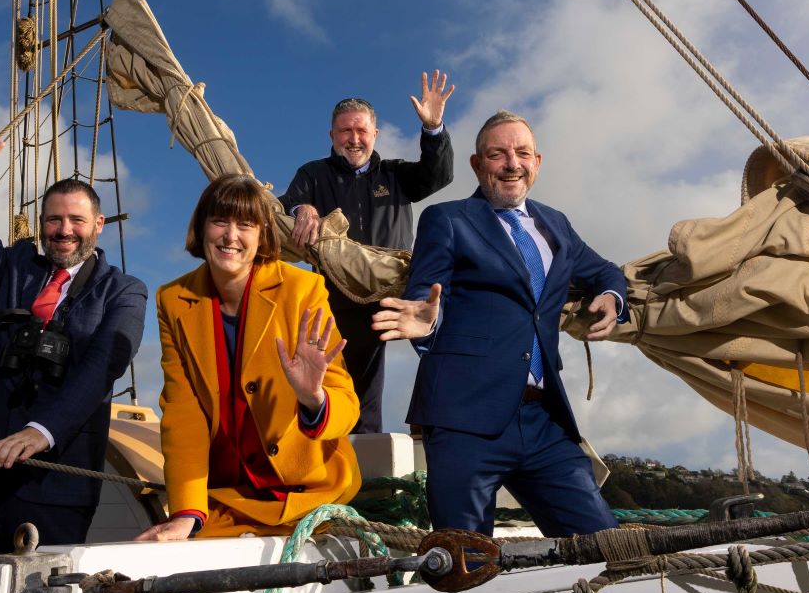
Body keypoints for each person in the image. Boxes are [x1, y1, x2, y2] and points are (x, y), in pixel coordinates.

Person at [0, 106, 147, 593]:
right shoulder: (17, 265)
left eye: (76, 220)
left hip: (53, 479)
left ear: (98, 225)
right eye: (54, 220)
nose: (64, 230)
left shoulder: (124, 291)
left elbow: (105, 365)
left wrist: (42, 430)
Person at [371, 110, 625, 537]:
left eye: (522, 153)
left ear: (537, 162)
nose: (512, 164)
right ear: (477, 164)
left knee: (604, 544)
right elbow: (426, 291)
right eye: (497, 154)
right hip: (464, 420)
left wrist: (612, 297)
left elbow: (606, 270)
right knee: (466, 560)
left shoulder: (557, 225)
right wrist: (428, 321)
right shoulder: (447, 219)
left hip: (544, 420)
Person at [137, 174, 360, 540]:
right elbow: (183, 413)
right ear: (201, 228)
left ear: (262, 235)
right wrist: (186, 513)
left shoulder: (303, 289)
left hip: (309, 494)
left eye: (245, 225)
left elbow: (348, 407)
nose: (231, 236)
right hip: (229, 498)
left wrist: (314, 399)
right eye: (219, 221)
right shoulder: (172, 300)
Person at [280, 71, 455, 433]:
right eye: (345, 131)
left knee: (444, 350)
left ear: (375, 134)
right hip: (341, 295)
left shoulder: (395, 174)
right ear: (332, 136)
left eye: (361, 130)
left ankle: (439, 431)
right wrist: (303, 208)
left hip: (399, 287)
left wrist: (433, 129)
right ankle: (356, 452)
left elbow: (437, 175)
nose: (354, 138)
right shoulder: (313, 174)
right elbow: (286, 204)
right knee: (355, 382)